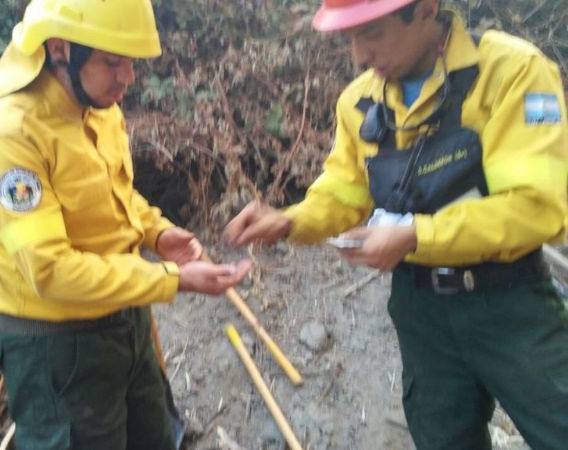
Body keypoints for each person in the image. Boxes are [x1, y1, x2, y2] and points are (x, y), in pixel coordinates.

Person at [225, 0, 568, 449]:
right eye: (349, 39)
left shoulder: (512, 72)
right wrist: (289, 220)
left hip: (510, 302)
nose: (358, 57)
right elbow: (344, 191)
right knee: (442, 436)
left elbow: (534, 207)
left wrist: (415, 237)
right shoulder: (360, 101)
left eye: (371, 34)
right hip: (419, 311)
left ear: (426, 9)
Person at [0, 1, 251, 449]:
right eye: (112, 62)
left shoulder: (97, 106)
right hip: (59, 347)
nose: (127, 78)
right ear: (59, 48)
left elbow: (115, 195)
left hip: (125, 314)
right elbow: (49, 272)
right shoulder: (7, 138)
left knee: (153, 436)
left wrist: (156, 232)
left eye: (130, 61)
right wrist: (173, 278)